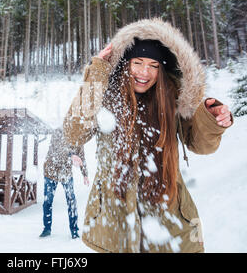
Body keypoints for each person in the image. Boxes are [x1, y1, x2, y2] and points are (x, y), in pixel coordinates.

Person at [63, 18, 233, 253]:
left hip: (170, 221)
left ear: (161, 69)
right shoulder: (105, 95)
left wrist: (211, 120)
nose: (145, 72)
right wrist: (96, 76)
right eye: (138, 62)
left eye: (154, 65)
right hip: (115, 223)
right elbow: (74, 132)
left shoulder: (174, 98)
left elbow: (201, 145)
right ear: (126, 63)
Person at [40, 128, 89, 239]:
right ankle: (47, 229)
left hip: (65, 173)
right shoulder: (58, 131)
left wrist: (85, 174)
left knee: (71, 201)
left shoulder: (79, 138)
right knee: (48, 201)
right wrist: (71, 155)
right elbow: (56, 150)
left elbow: (82, 157)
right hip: (50, 170)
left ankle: (74, 231)